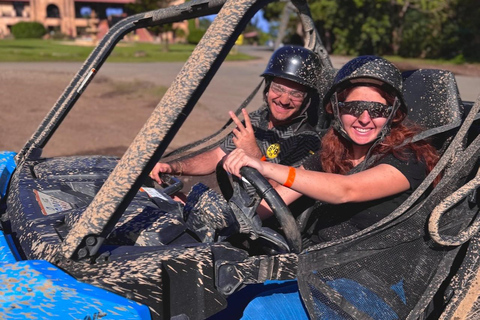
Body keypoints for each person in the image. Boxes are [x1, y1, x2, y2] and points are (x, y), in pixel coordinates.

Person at [223, 55, 440, 244]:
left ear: (393, 113)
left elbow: (346, 190)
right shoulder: (333, 154)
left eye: (377, 110)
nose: (364, 119)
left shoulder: (409, 156)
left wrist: (263, 166)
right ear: (337, 110)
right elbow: (278, 197)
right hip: (316, 261)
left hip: (371, 278)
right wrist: (229, 220)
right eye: (353, 108)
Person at [149, 45, 324, 185]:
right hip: (236, 207)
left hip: (267, 225)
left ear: (307, 99)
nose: (284, 100)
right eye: (278, 88)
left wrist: (255, 155)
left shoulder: (307, 141)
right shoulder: (258, 118)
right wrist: (173, 167)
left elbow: (281, 196)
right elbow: (217, 156)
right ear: (267, 87)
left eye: (296, 94)